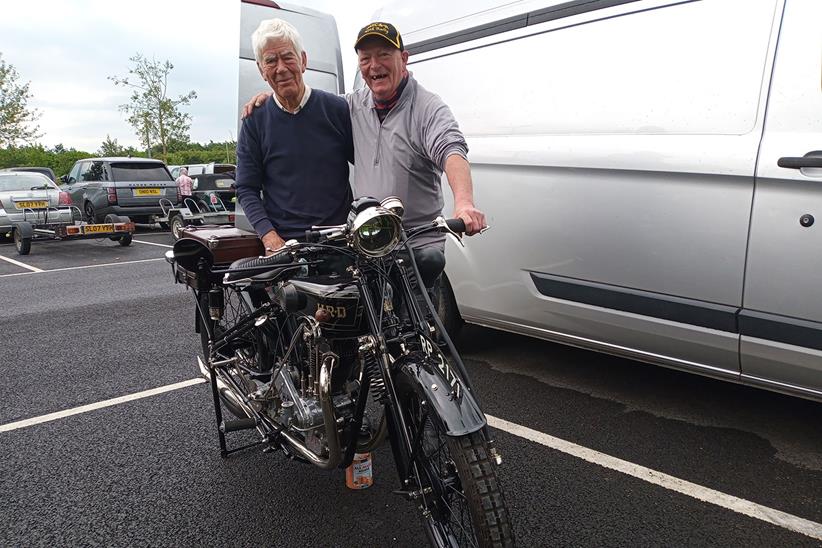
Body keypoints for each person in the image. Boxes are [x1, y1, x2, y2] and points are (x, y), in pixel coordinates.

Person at [235, 18, 353, 255]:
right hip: (287, 248)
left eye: (288, 57)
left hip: (341, 241)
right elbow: (246, 188)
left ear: (303, 61)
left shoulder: (337, 109)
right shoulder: (254, 121)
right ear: (261, 70)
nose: (281, 68)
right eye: (270, 61)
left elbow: (371, 162)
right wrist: (269, 237)